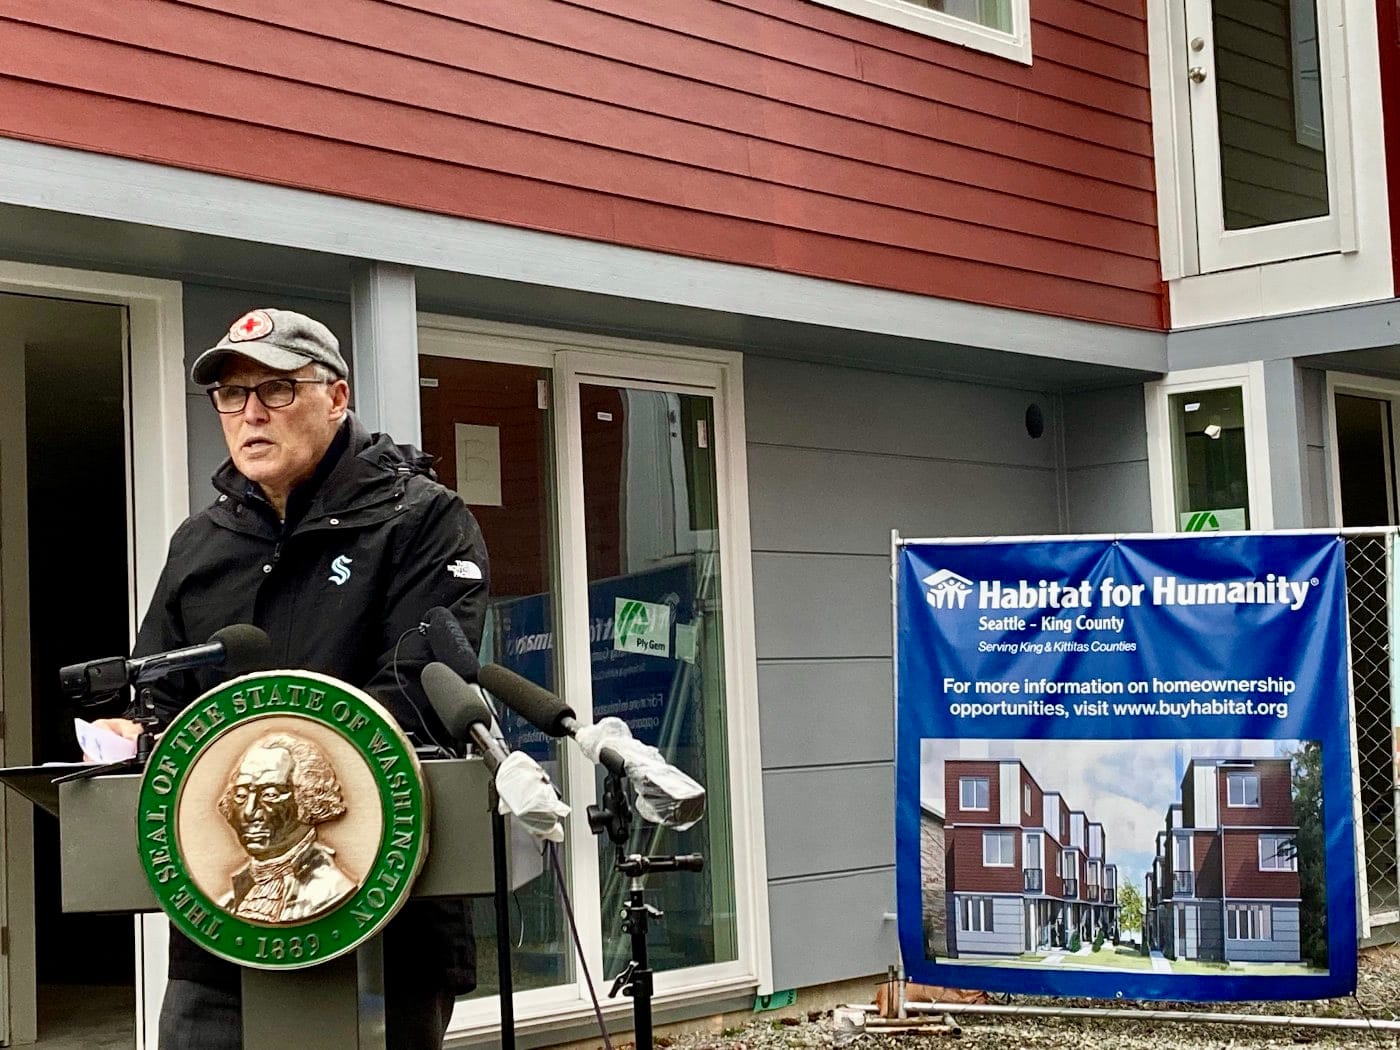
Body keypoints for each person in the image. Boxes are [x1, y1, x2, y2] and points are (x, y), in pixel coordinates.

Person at [93, 307, 488, 1050]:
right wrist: (135, 731)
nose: (249, 415)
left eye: (275, 391)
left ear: (335, 397)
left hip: (382, 917)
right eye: (231, 396)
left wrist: (247, 748)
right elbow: (161, 692)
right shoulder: (200, 542)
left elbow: (416, 693)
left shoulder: (421, 520)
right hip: (218, 928)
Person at [217, 733, 358, 924]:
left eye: (270, 794)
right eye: (241, 795)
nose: (249, 812)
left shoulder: (331, 890)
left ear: (308, 799)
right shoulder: (228, 901)